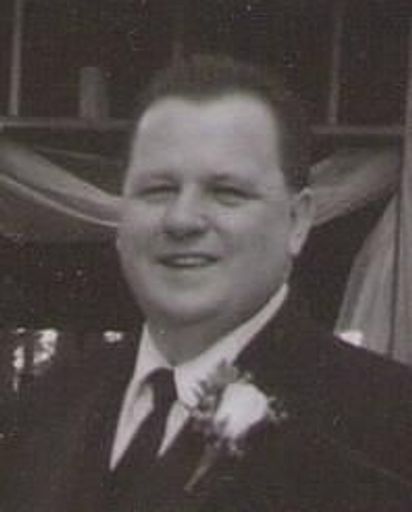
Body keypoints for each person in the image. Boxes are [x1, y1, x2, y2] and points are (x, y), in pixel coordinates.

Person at [3, 55, 412, 512]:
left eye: (227, 192)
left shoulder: (391, 426)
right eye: (158, 189)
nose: (182, 220)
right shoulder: (44, 409)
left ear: (297, 222)